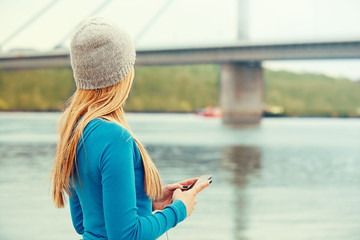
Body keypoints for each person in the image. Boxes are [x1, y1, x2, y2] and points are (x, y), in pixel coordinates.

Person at [50, 17, 210, 240]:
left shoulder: (74, 131)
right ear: (123, 74)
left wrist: (146, 201)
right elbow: (126, 236)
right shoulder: (116, 137)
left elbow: (85, 223)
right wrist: (179, 210)